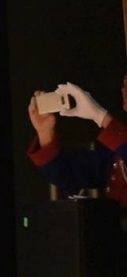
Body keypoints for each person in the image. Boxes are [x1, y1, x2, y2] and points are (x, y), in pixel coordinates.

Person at [26, 76, 127, 206]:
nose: (124, 88)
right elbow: (67, 174)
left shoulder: (119, 137)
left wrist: (100, 116)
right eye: (124, 82)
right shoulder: (118, 144)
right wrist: (45, 132)